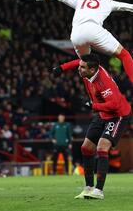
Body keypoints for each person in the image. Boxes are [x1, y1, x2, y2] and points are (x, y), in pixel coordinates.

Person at [53, 54, 131, 199]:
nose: (79, 69)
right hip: (102, 114)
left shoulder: (103, 83)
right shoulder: (89, 69)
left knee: (102, 147)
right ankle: (88, 188)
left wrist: (93, 105)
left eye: (83, 67)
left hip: (117, 115)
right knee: (86, 148)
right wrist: (61, 68)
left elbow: (114, 104)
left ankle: (98, 191)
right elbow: (78, 61)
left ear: (92, 69)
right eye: (80, 66)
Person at [26, 0, 133, 83]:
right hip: (94, 30)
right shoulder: (108, 2)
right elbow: (130, 7)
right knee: (124, 55)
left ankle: (95, 96)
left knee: (86, 66)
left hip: (77, 35)